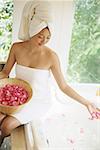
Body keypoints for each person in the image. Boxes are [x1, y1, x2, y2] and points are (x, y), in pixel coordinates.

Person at [0, 0, 100, 147]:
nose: (44, 41)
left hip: (38, 101)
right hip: (20, 98)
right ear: (33, 30)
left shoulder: (51, 57)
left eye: (48, 38)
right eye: (40, 36)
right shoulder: (17, 48)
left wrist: (87, 103)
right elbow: (5, 72)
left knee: (6, 125)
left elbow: (64, 86)